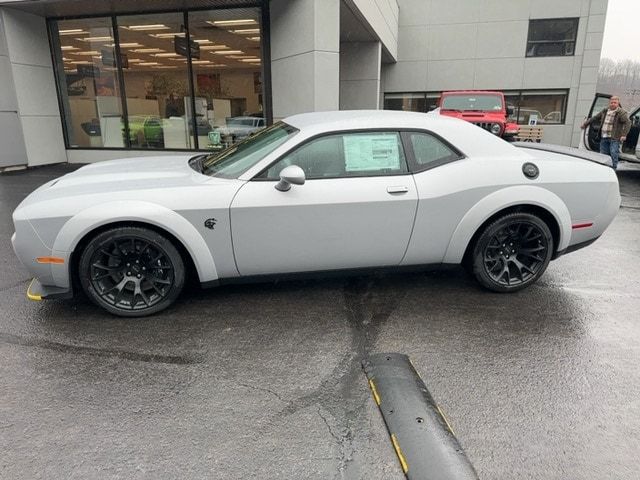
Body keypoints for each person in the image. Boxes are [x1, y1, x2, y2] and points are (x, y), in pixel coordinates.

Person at [581, 96, 631, 170]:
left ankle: (614, 169)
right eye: (612, 102)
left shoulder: (621, 112)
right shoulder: (605, 110)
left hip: (614, 137)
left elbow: (628, 123)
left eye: (615, 103)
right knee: (603, 154)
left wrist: (624, 134)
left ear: (618, 103)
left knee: (614, 153)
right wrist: (585, 124)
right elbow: (595, 117)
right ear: (609, 103)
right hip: (604, 136)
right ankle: (603, 169)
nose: (613, 104)